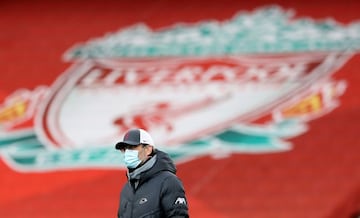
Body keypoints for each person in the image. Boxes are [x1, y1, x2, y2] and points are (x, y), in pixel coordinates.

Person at [115, 128, 189, 218]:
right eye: (125, 149)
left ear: (148, 149)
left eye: (132, 147)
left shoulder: (168, 181)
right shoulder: (126, 189)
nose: (127, 152)